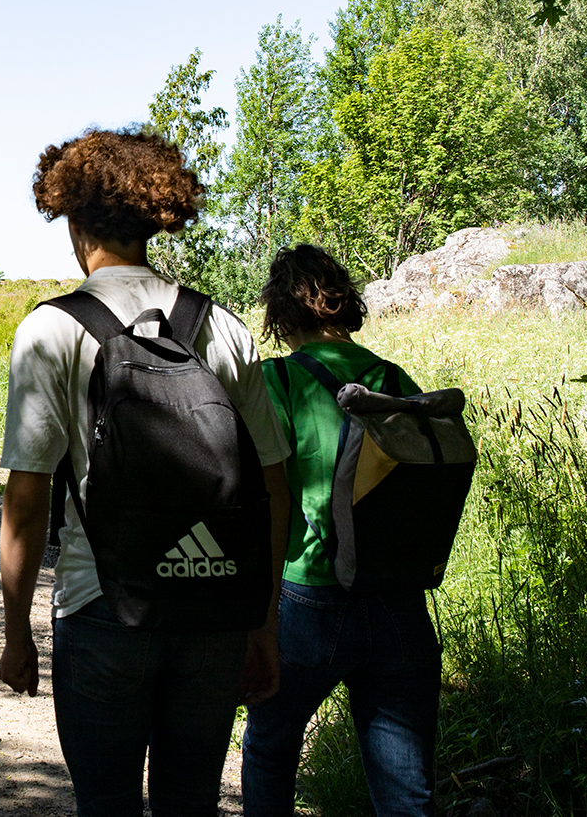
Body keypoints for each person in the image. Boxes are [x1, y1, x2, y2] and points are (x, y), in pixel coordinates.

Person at [0, 128, 292, 817]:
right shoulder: (220, 326)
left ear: (74, 224)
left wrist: (16, 631)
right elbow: (272, 488)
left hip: (102, 605)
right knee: (190, 803)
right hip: (214, 607)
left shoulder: (51, 330)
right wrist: (262, 621)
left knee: (106, 804)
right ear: (152, 218)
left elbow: (27, 499)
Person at [241, 244, 440, 817]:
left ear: (280, 311)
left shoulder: (275, 381)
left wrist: (259, 612)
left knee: (271, 751)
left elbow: (259, 500)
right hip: (399, 599)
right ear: (342, 302)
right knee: (406, 789)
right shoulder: (392, 378)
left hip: (310, 599)